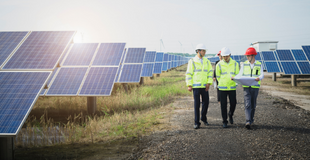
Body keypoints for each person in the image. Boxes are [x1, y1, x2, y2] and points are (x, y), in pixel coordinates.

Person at [186, 43, 213, 129]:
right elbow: (189, 74)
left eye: (205, 51)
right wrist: (189, 85)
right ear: (198, 51)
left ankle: (203, 118)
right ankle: (197, 122)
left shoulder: (207, 61)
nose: (204, 52)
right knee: (197, 104)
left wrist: (208, 83)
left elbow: (210, 73)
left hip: (205, 86)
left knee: (206, 102)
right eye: (203, 51)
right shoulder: (192, 61)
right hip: (196, 86)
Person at [237, 47, 264, 129]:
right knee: (247, 104)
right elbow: (240, 74)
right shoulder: (244, 64)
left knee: (253, 104)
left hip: (255, 87)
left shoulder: (259, 64)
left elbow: (262, 74)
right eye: (247, 56)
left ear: (253, 56)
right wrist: (235, 77)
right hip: (246, 87)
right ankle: (248, 121)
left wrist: (259, 78)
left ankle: (251, 119)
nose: (247, 57)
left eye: (248, 56)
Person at [215, 47, 239, 128]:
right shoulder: (219, 64)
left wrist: (234, 82)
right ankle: (224, 121)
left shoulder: (235, 63)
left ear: (230, 55)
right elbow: (218, 76)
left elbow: (237, 74)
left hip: (232, 87)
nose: (225, 57)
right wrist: (222, 82)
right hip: (222, 88)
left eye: (226, 56)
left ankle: (230, 114)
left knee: (233, 103)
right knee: (223, 105)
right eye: (224, 56)